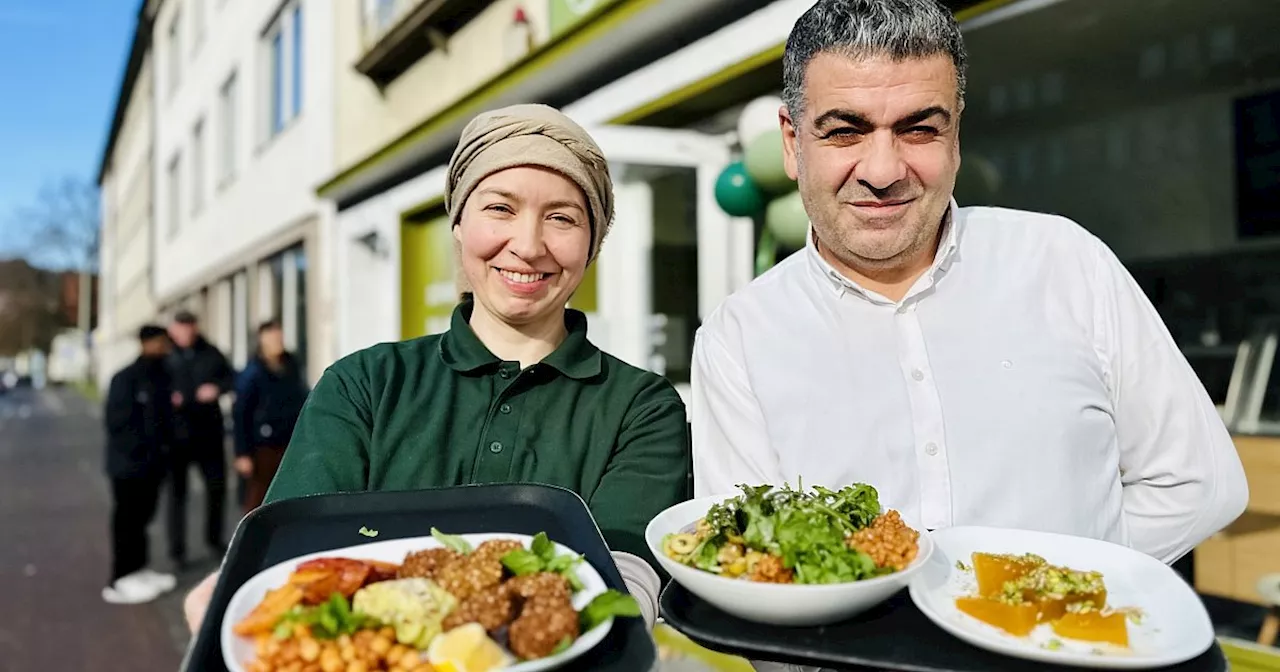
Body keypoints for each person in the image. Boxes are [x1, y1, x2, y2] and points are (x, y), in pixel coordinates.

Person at [693, 0, 1247, 593]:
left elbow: (1198, 483)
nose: (882, 170)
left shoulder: (1065, 263)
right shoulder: (740, 338)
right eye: (845, 131)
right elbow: (748, 575)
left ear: (956, 134)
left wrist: (1043, 601)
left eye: (919, 129)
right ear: (791, 141)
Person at [183, 103, 690, 633]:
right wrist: (247, 589)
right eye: (500, 208)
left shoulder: (641, 408)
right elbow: (296, 559)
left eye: (562, 217)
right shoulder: (364, 387)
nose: (528, 244)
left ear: (592, 244)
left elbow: (619, 588)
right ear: (459, 222)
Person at [103, 325, 179, 604]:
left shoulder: (162, 376)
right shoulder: (125, 378)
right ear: (147, 343)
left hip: (153, 466)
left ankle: (140, 569)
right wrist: (140, 451)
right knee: (127, 521)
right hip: (129, 467)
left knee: (144, 519)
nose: (166, 348)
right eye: (161, 342)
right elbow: (118, 424)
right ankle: (120, 578)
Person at [166, 310, 236, 569]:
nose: (185, 333)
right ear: (173, 329)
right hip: (175, 435)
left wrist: (217, 389)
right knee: (176, 495)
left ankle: (215, 540)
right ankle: (177, 551)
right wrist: (169, 398)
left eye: (189, 328)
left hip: (208, 433)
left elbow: (231, 378)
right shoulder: (165, 356)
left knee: (216, 488)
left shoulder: (211, 352)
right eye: (180, 328)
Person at [232, 319, 310, 514]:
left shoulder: (291, 366)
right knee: (258, 498)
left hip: (290, 440)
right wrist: (242, 452)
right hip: (263, 445)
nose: (278, 341)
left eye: (279, 336)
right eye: (272, 337)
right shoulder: (253, 373)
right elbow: (241, 413)